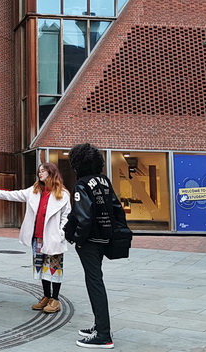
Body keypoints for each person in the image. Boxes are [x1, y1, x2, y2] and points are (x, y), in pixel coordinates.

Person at [66, 143, 126, 349]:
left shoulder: (82, 184)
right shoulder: (104, 181)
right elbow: (118, 209)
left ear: (77, 163)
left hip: (90, 242)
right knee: (96, 282)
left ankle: (103, 335)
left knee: (94, 284)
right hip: (104, 240)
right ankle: (99, 325)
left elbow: (83, 218)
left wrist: (77, 239)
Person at [0, 163, 71, 313]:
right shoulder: (34, 191)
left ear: (51, 173)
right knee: (41, 268)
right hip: (38, 238)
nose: (40, 174)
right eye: (39, 171)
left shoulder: (63, 194)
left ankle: (55, 299)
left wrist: (61, 233)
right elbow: (14, 194)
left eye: (43, 171)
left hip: (53, 238)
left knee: (54, 268)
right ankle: (46, 297)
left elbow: (67, 216)